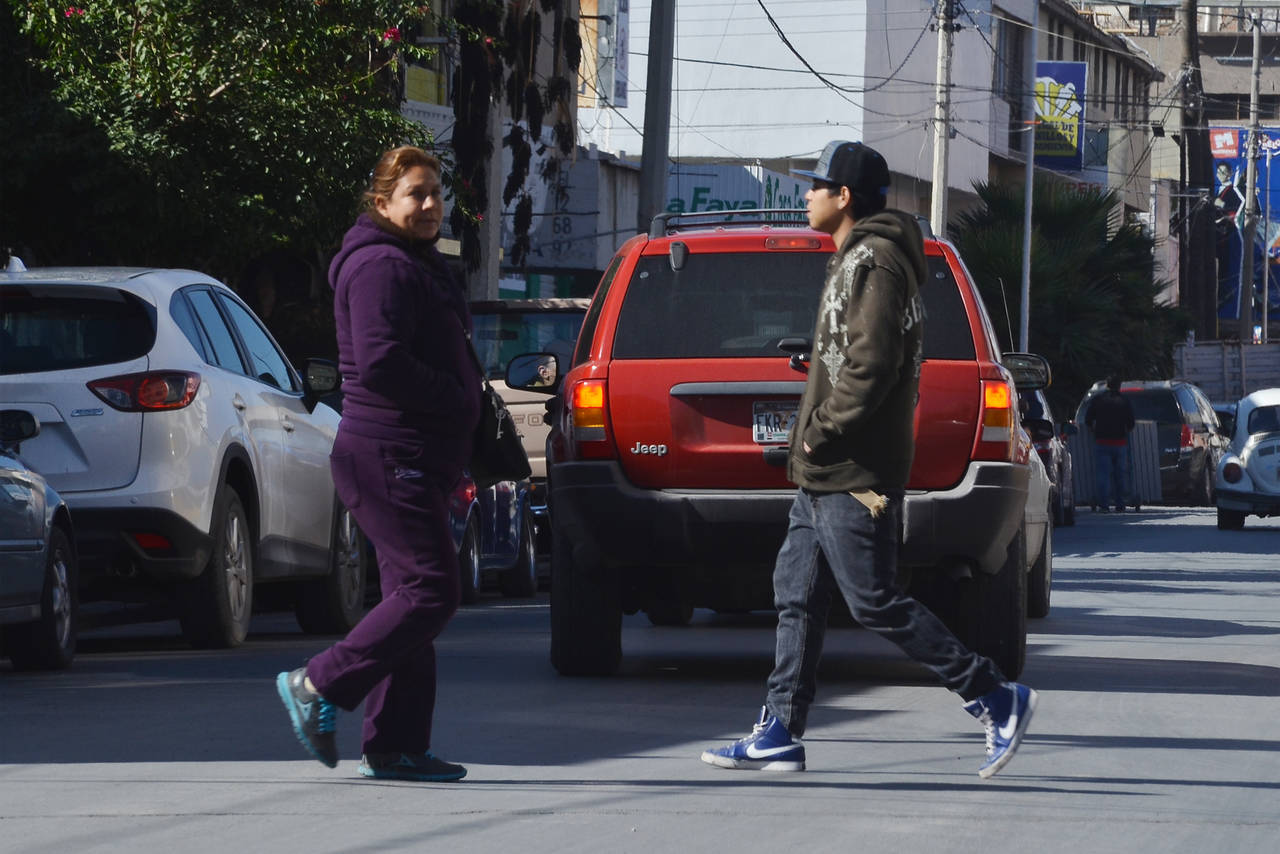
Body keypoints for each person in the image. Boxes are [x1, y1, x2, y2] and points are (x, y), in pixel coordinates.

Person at [700, 140, 1037, 780]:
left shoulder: (876, 261)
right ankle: (780, 731)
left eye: (816, 185)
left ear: (844, 195)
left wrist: (820, 432)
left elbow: (872, 365)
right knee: (796, 595)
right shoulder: (854, 256)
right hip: (824, 473)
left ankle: (995, 696)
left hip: (854, 471)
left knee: (874, 599)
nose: (807, 194)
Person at [275, 145, 481, 782]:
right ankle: (318, 683)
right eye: (415, 194)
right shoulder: (381, 266)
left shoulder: (414, 262)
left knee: (406, 595)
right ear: (382, 202)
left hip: (413, 453)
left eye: (436, 194)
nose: (430, 205)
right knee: (432, 589)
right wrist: (458, 397)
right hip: (388, 453)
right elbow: (382, 361)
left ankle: (395, 744)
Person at [1085, 376, 1136, 512]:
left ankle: (1104, 504)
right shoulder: (1124, 401)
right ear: (1119, 386)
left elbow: (1088, 420)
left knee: (1103, 475)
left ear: (1107, 385)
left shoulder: (1098, 400)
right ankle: (1120, 504)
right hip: (1120, 442)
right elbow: (1131, 423)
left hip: (1102, 442)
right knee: (1120, 475)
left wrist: (1094, 430)